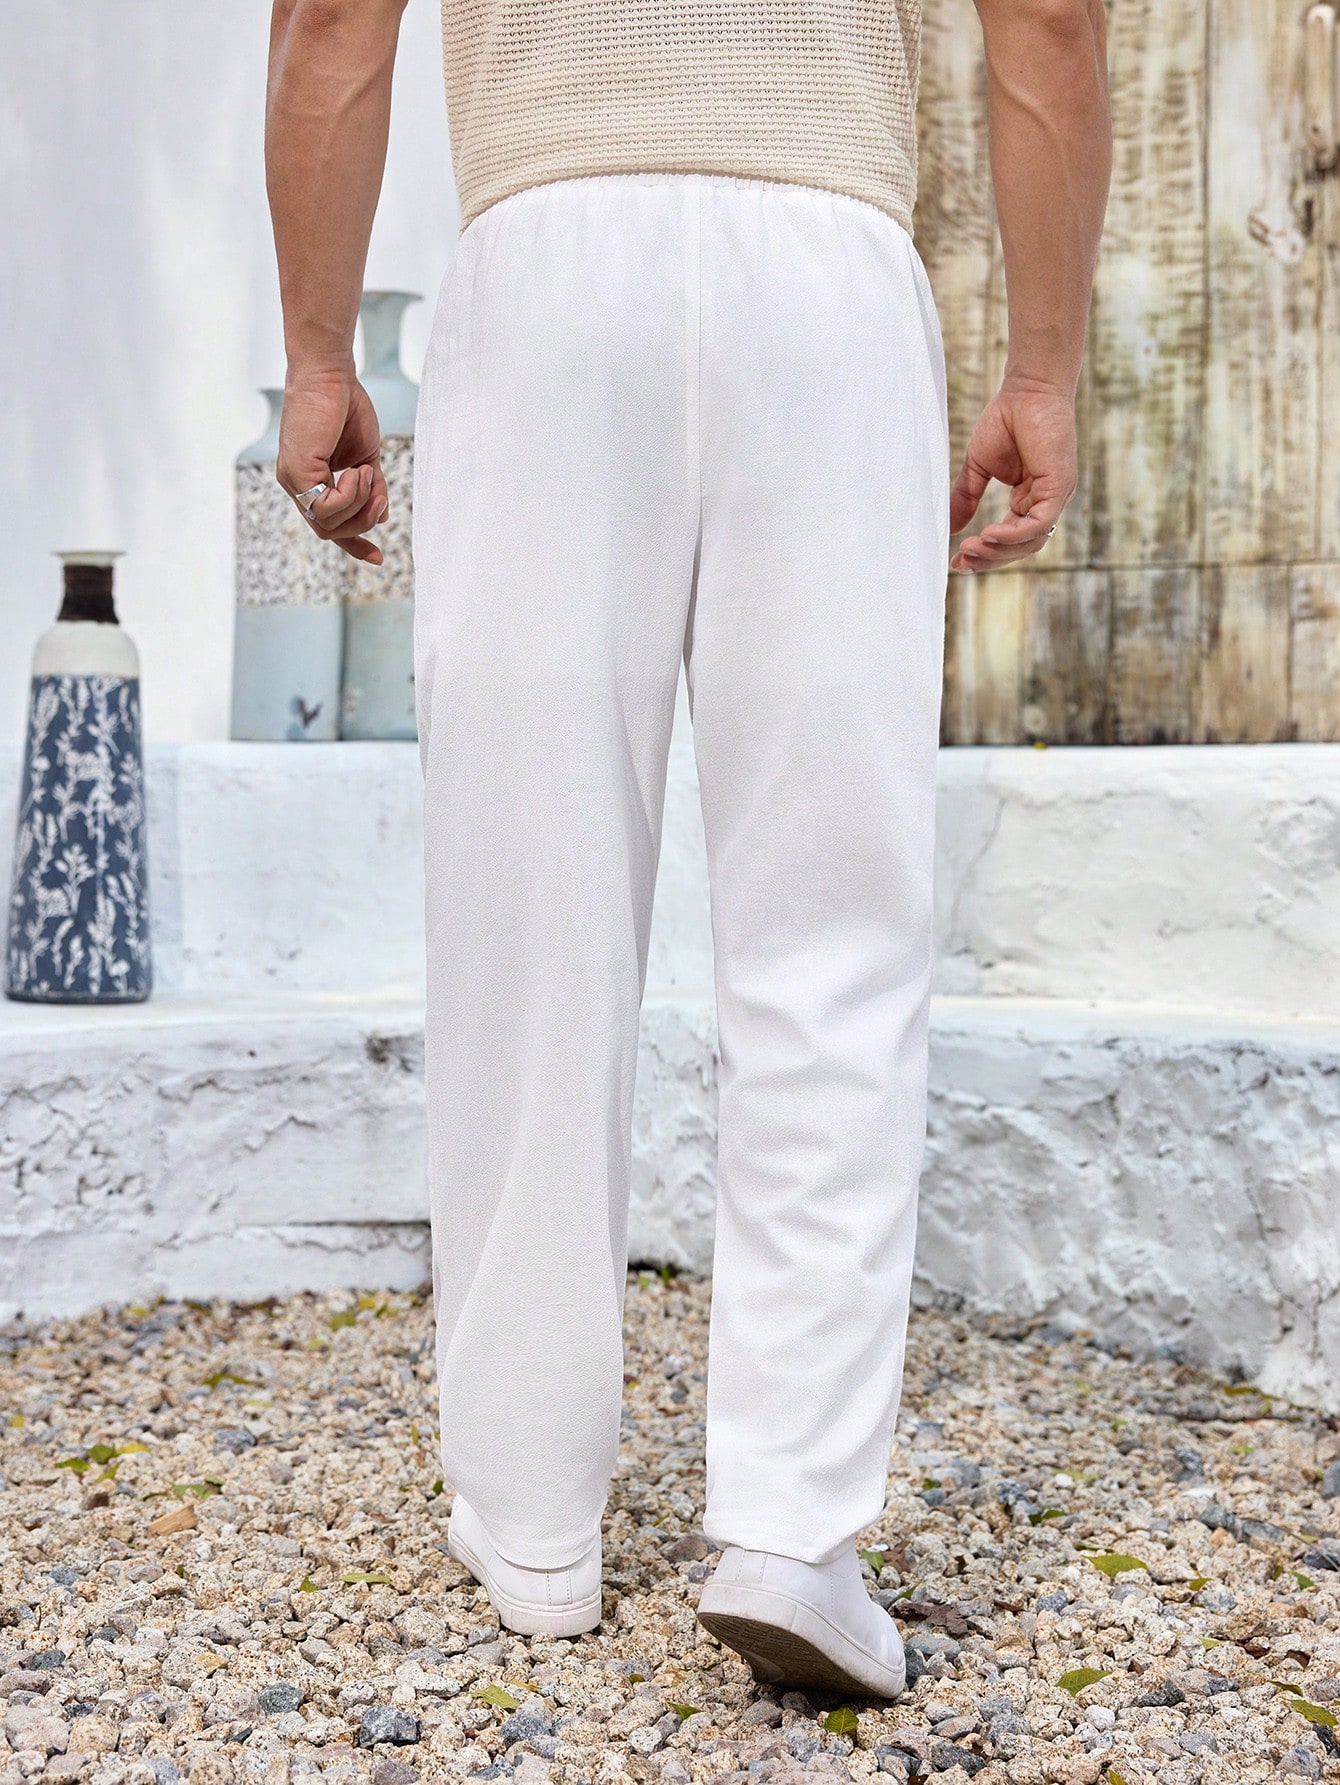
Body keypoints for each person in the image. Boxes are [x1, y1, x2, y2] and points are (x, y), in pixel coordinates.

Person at [266, 0, 1111, 1696]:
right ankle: (794, 1521)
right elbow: (1047, 20)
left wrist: (317, 347)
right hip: (828, 275)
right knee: (833, 922)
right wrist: (1041, 367)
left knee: (528, 913)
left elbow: (333, 22)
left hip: (546, 264)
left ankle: (531, 1520)